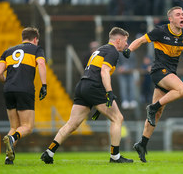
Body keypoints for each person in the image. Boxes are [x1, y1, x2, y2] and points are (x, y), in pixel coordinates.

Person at [40, 27, 133, 164]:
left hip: (83, 86)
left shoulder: (101, 49)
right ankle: (115, 156)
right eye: (125, 41)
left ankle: (49, 152)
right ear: (118, 40)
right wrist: (109, 92)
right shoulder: (112, 51)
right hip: (94, 86)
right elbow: (104, 71)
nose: (127, 44)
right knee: (117, 118)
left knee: (72, 123)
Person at [123, 6, 183, 162]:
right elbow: (140, 40)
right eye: (178, 15)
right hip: (159, 71)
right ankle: (151, 108)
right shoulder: (160, 31)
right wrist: (129, 50)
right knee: (182, 90)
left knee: (157, 114)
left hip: (170, 74)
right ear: (171, 19)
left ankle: (142, 143)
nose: (182, 17)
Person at [0, 27, 47, 165]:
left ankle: (8, 157)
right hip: (25, 89)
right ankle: (12, 139)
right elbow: (41, 63)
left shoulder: (8, 51)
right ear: (35, 39)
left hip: (9, 89)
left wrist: (9, 82)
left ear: (23, 37)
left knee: (14, 126)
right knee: (27, 126)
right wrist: (44, 85)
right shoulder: (37, 49)